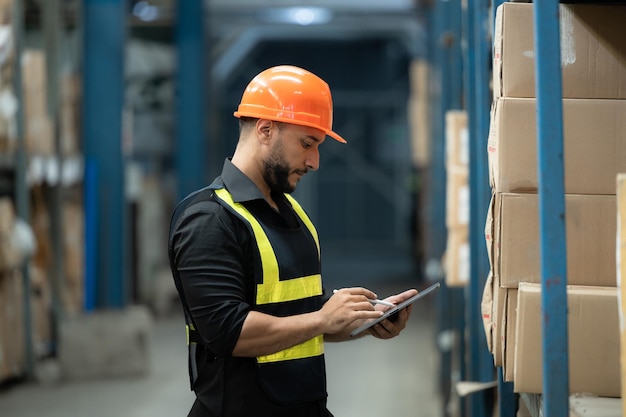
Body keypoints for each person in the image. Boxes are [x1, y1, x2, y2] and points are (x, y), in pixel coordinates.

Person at [168, 65, 418, 417]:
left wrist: (361, 321)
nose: (314, 161)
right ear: (266, 129)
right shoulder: (208, 219)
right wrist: (323, 320)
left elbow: (297, 314)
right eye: (307, 143)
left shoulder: (291, 213)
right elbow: (228, 332)